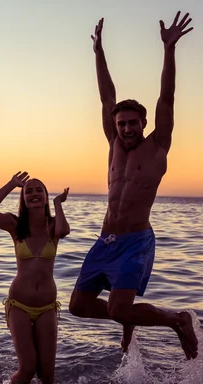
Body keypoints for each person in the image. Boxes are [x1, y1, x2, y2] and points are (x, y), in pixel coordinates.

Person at [68, 12, 198, 360]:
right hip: (105, 239)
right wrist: (98, 53)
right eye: (121, 123)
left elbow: (167, 97)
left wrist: (169, 50)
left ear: (144, 123)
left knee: (119, 309)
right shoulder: (112, 143)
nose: (126, 128)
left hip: (135, 242)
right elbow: (105, 96)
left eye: (132, 123)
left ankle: (177, 319)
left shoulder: (157, 146)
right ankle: (127, 316)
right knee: (77, 307)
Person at [0, 172, 70, 384]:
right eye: (28, 191)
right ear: (23, 199)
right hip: (19, 305)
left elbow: (64, 230)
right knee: (28, 368)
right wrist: (12, 184)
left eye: (39, 190)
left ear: (46, 196)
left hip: (47, 307)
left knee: (47, 375)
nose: (34, 194)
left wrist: (58, 203)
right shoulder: (15, 225)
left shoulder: (53, 226)